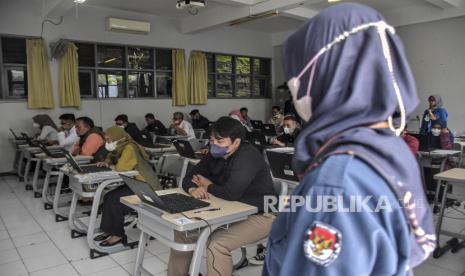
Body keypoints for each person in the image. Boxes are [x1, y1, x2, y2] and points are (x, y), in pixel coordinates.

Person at [264, 4, 435, 275]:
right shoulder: (387, 148)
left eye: (295, 78)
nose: (294, 89)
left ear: (326, 75)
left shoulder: (336, 181)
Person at [168, 117, 277, 276]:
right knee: (184, 232)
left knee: (217, 244)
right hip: (228, 210)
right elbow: (188, 178)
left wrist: (207, 185)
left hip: (262, 215)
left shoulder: (248, 156)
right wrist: (192, 189)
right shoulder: (214, 154)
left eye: (220, 141)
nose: (214, 144)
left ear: (236, 142)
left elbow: (231, 193)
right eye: (212, 140)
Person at [94, 126, 162, 247]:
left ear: (116, 137)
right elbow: (112, 155)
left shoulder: (130, 147)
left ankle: (118, 235)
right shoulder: (121, 145)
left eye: (109, 140)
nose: (107, 143)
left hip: (147, 188)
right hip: (135, 184)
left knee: (115, 201)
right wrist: (107, 163)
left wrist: (111, 166)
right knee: (109, 196)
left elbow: (122, 168)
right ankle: (110, 230)